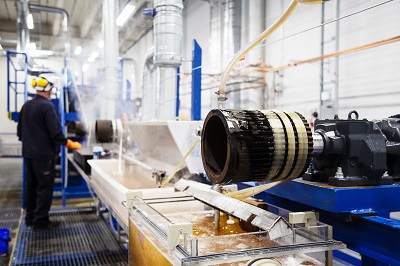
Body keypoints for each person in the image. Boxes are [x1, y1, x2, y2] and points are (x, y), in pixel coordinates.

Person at [17, 74, 81, 229]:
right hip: (43, 156)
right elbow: (55, 133)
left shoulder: (26, 106)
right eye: (51, 89)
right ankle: (41, 221)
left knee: (32, 187)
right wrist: (69, 143)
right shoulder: (47, 106)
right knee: (45, 188)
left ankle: (30, 218)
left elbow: (20, 132)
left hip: (29, 154)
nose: (52, 92)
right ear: (47, 90)